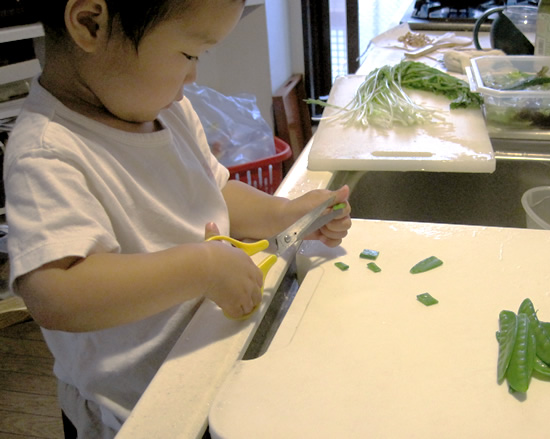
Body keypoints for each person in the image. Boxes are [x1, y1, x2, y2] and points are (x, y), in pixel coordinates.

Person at [3, 0, 352, 437]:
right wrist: (200, 269)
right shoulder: (48, 151)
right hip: (137, 410)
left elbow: (214, 192)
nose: (193, 77)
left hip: (203, 362)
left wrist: (284, 213)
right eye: (189, 55)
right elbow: (55, 294)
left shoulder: (168, 112)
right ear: (91, 24)